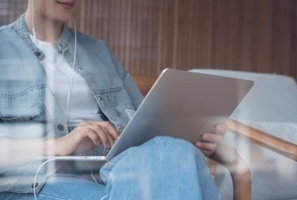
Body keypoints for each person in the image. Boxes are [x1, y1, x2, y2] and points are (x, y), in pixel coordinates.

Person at [0, 0, 234, 199]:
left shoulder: (99, 52)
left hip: (114, 173)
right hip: (35, 183)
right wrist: (61, 144)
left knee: (173, 150)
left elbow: (145, 130)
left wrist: (191, 135)